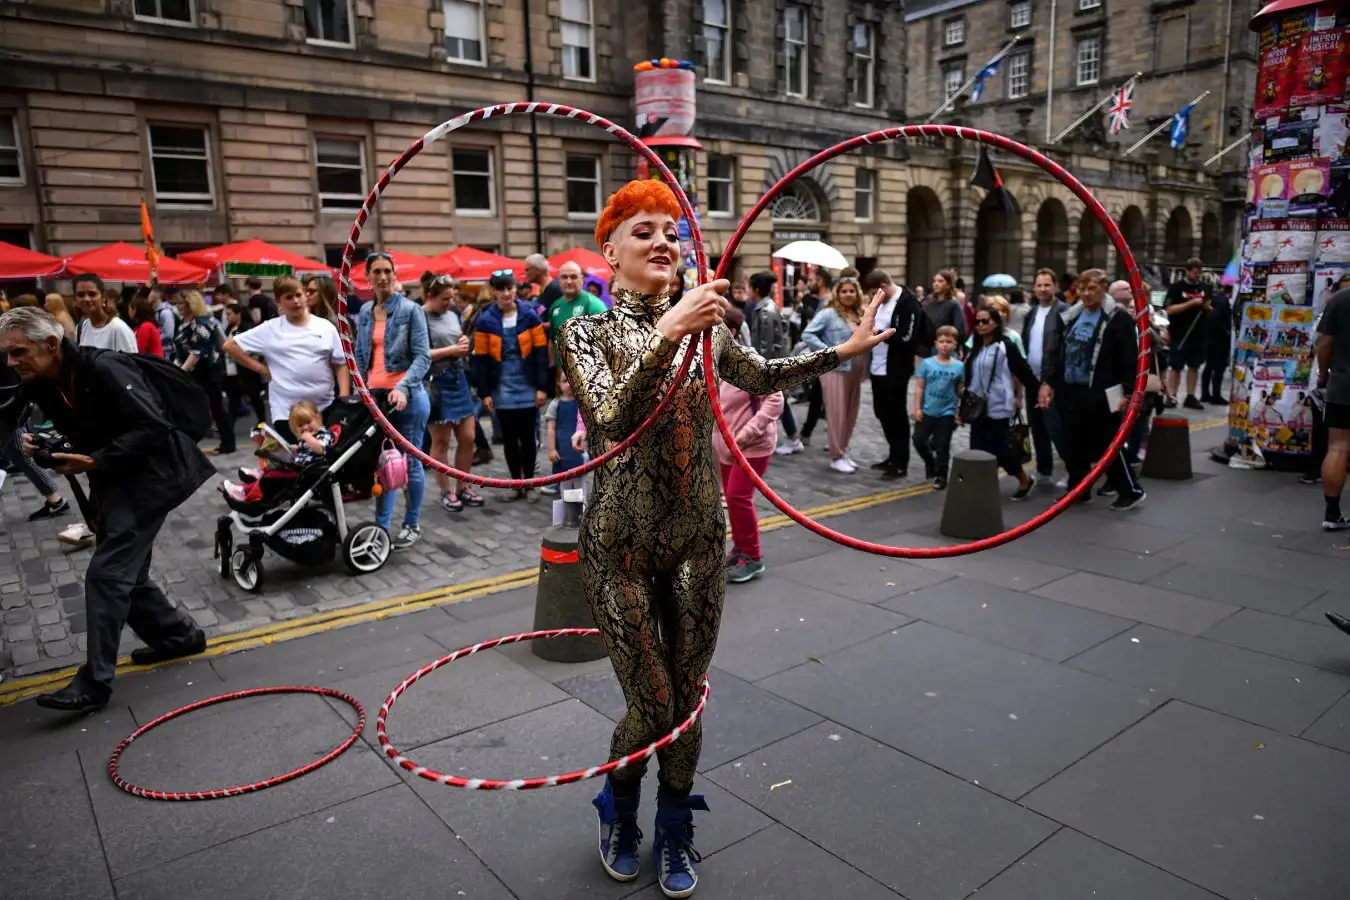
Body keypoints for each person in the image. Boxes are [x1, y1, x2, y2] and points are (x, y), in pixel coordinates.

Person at [557, 179, 890, 896]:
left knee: (686, 695)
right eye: (642, 231)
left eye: (671, 232)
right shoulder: (585, 330)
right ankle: (617, 809)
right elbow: (612, 416)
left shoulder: (707, 326)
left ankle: (675, 826)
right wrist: (670, 330)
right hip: (618, 545)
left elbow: (762, 374)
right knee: (649, 703)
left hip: (698, 537)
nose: (663, 242)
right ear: (608, 250)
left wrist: (844, 351)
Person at [0, 307, 210, 711]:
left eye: (18, 352)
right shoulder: (38, 379)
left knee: (108, 574)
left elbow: (154, 427)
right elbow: (14, 418)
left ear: (50, 345)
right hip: (116, 479)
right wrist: (47, 447)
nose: (10, 362)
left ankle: (94, 683)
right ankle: (178, 637)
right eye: (6, 355)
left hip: (153, 478)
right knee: (128, 574)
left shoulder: (106, 369)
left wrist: (95, 461)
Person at [1038, 269, 1146, 511]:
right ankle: (1079, 489)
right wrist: (1049, 383)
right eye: (1082, 289)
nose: (1086, 294)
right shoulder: (1071, 316)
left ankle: (1130, 489)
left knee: (1105, 442)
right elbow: (1060, 353)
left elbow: (1130, 359)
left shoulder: (1118, 319)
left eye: (1092, 289)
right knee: (1072, 442)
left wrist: (1128, 393)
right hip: (1071, 389)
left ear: (1104, 288)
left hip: (1101, 391)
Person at [352, 252, 431, 547]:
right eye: (377, 272)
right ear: (368, 278)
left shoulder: (411, 310)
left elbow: (423, 357)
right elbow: (361, 355)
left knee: (409, 464)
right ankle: (381, 528)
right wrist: (361, 390)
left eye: (387, 271)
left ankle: (412, 523)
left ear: (394, 274)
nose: (383, 277)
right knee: (383, 464)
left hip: (407, 399)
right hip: (376, 398)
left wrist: (404, 387)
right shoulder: (364, 312)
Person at [223, 275, 351, 442]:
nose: (296, 301)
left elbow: (341, 364)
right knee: (295, 461)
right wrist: (260, 368)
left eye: (298, 295)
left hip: (324, 408)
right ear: (279, 301)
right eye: (289, 297)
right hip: (286, 411)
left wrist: (343, 398)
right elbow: (230, 346)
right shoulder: (270, 329)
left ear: (305, 295)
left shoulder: (325, 327)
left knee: (327, 461)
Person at [713, 306, 783, 584]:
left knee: (739, 498)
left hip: (751, 446)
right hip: (726, 447)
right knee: (732, 499)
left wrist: (746, 433)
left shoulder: (748, 361)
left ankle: (753, 557)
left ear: (730, 332)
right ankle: (740, 549)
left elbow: (775, 399)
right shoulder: (714, 362)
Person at [471, 270, 549, 502]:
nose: (506, 293)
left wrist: (541, 387)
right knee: (508, 437)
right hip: (501, 385)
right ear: (494, 291)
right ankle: (515, 483)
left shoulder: (530, 316)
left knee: (528, 436)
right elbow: (481, 361)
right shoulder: (486, 320)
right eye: (501, 289)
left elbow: (541, 355)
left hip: (526, 383)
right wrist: (485, 392)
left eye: (509, 288)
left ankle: (530, 484)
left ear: (515, 289)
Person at [960, 305, 1039, 501]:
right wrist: (961, 407)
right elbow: (969, 378)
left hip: (999, 405)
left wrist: (1039, 392)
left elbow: (1023, 371)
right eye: (977, 321)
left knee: (999, 448)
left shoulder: (1005, 346)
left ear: (996, 323)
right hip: (977, 406)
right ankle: (983, 484)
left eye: (985, 321)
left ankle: (1024, 479)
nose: (980, 325)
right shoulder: (975, 347)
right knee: (977, 448)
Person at [423, 274, 483, 513]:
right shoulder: (418, 317)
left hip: (458, 379)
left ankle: (463, 486)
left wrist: (463, 345)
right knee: (441, 441)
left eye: (451, 298)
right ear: (430, 296)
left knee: (468, 436)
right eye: (444, 299)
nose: (450, 303)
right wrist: (451, 349)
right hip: (436, 382)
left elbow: (458, 341)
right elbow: (419, 354)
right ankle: (446, 491)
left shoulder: (452, 314)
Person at [861, 268, 923, 479]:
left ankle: (900, 461)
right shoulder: (883, 303)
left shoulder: (908, 302)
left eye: (874, 292)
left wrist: (880, 335)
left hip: (896, 369)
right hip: (877, 367)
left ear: (883, 287)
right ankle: (892, 454)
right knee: (881, 412)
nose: (872, 298)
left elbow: (908, 338)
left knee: (896, 416)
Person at [803, 268, 867, 474]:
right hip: (835, 369)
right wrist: (830, 353)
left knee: (850, 412)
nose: (849, 294)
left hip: (855, 370)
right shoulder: (828, 313)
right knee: (837, 413)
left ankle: (844, 451)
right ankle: (836, 455)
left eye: (852, 291)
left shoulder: (859, 314)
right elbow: (808, 334)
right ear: (837, 293)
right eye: (844, 291)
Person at [223, 400, 335, 503]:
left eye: (308, 422)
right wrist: (293, 447)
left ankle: (245, 491)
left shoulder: (324, 434)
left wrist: (308, 438)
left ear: (318, 418)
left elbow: (322, 449)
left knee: (272, 476)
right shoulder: (309, 436)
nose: (305, 427)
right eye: (300, 425)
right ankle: (248, 483)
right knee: (272, 464)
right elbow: (304, 448)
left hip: (307, 471)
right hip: (297, 466)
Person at [171, 289, 235, 454]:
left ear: (191, 304)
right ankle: (190, 441)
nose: (178, 307)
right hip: (193, 371)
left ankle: (228, 443)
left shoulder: (202, 323)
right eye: (177, 304)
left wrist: (180, 371)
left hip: (208, 371)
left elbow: (197, 352)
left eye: (181, 304)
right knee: (192, 406)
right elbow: (182, 350)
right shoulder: (183, 322)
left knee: (216, 406)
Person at [1021, 268, 1069, 480]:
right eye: (1039, 285)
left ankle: (1075, 471)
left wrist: (1051, 380)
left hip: (1054, 381)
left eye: (1046, 285)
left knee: (1057, 428)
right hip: (1032, 379)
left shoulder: (1065, 311)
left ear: (1055, 286)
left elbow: (1064, 349)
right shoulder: (1031, 312)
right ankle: (1044, 469)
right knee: (1037, 427)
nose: (1042, 289)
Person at [1314, 286, 1350, 529]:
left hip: (1343, 385)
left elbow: (1324, 345)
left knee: (1338, 447)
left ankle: (1332, 512)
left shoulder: (1340, 300)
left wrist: (1324, 376)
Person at [912, 325, 964, 488]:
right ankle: (930, 461)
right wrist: (917, 408)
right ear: (936, 343)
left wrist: (958, 412)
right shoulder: (927, 364)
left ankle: (941, 475)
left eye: (949, 342)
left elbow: (960, 389)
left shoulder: (959, 366)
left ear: (955, 345)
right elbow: (920, 387)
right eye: (942, 341)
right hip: (928, 409)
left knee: (943, 445)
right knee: (918, 440)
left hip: (946, 412)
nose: (945, 345)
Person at [1164, 257, 1212, 410]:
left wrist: (1205, 306)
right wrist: (1191, 303)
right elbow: (1170, 309)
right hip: (1179, 333)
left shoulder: (1205, 288)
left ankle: (1191, 396)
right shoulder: (1176, 288)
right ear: (1187, 271)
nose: (1196, 275)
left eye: (1198, 272)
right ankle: (1171, 395)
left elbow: (1210, 308)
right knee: (1176, 366)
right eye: (1193, 272)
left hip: (1198, 333)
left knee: (1194, 365)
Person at [547, 261, 607, 364]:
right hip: (561, 373)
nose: (569, 281)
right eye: (564, 277)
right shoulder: (555, 306)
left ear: (582, 279)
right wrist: (553, 368)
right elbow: (552, 342)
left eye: (573, 277)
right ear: (559, 280)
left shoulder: (594, 305)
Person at [543, 369, 585, 498]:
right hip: (561, 446)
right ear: (558, 383)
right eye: (565, 381)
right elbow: (551, 429)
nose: (569, 384)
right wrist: (551, 449)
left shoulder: (582, 403)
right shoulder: (556, 404)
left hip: (578, 446)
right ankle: (557, 486)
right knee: (560, 469)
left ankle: (578, 501)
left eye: (572, 380)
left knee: (578, 475)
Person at [73, 274, 136, 352]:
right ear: (75, 299)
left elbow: (131, 362)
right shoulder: (81, 328)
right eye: (81, 295)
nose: (86, 299)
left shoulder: (119, 329)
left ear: (103, 298)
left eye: (92, 294)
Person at [1201, 284, 1232, 405]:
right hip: (1220, 340)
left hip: (1210, 338)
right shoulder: (1222, 301)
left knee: (1209, 366)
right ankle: (1216, 395)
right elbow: (1216, 317)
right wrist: (1226, 331)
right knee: (1219, 367)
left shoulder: (1216, 299)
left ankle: (1205, 393)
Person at [923, 268, 967, 352]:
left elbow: (960, 331)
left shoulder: (953, 304)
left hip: (945, 350)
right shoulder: (927, 303)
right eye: (935, 281)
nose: (936, 284)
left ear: (948, 284)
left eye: (940, 281)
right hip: (926, 349)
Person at [128, 289, 164, 358]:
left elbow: (139, 349)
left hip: (154, 363)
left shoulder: (146, 326)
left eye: (130, 308)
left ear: (136, 309)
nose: (128, 311)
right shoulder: (138, 326)